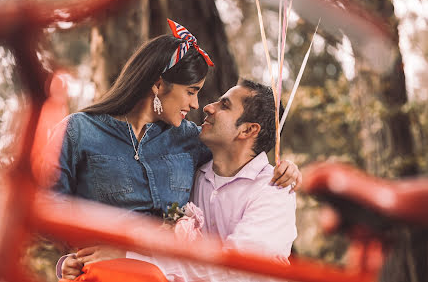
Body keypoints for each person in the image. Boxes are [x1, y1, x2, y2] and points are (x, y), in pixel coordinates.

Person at [42, 19, 300, 217]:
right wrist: (72, 255)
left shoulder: (191, 139)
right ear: (158, 84)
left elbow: (241, 154)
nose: (196, 104)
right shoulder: (77, 132)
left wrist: (287, 168)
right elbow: (47, 206)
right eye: (191, 91)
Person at [60, 79, 297, 282]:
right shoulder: (190, 174)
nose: (207, 107)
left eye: (224, 105)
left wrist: (129, 257)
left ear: (247, 131)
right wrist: (82, 262)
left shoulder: (274, 190)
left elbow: (235, 270)